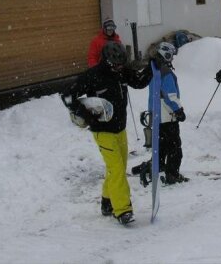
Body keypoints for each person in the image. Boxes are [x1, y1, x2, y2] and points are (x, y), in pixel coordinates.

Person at [63, 41, 150, 227]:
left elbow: (139, 82)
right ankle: (123, 210)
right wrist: (85, 113)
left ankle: (107, 202)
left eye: (122, 64)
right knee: (117, 169)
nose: (120, 68)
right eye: (116, 65)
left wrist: (153, 66)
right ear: (108, 60)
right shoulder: (93, 76)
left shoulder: (122, 72)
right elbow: (68, 96)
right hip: (102, 131)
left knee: (117, 168)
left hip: (120, 129)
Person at [139, 41, 187, 185]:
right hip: (167, 117)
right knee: (174, 148)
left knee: (161, 146)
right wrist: (179, 110)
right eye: (171, 55)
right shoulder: (166, 72)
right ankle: (172, 174)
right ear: (167, 55)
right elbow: (170, 96)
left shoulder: (153, 69)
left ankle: (156, 166)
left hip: (156, 116)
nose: (172, 58)